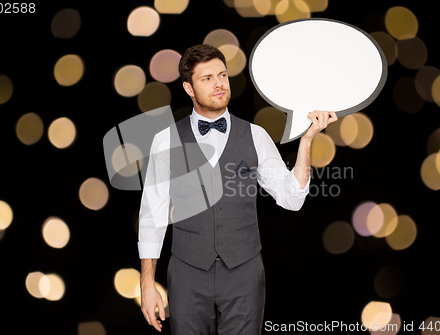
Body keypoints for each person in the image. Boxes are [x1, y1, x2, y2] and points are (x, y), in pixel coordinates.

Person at [138, 44, 337, 334]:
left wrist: (306, 142)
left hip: (244, 273)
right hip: (187, 275)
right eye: (207, 78)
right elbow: (152, 217)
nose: (219, 83)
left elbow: (291, 198)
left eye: (222, 75)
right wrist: (147, 283)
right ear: (189, 88)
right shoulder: (165, 140)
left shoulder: (255, 135)